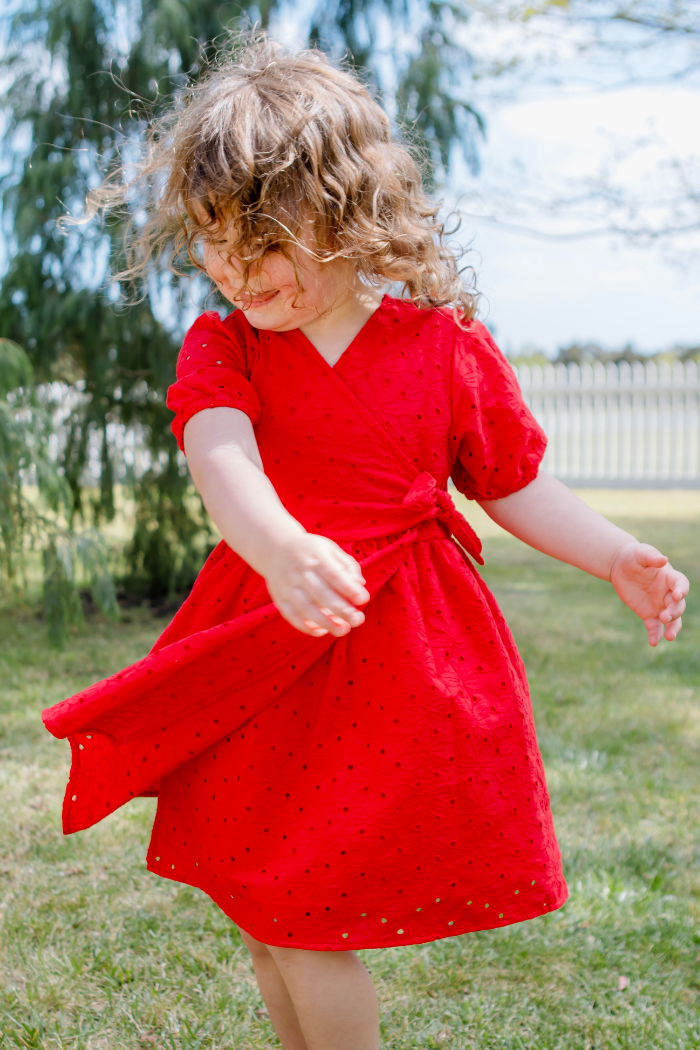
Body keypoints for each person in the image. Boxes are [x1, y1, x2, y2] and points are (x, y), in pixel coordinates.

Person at [44, 37, 689, 1050]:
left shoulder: (443, 345)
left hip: (391, 657)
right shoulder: (228, 345)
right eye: (210, 241)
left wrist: (612, 553)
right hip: (271, 640)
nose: (228, 269)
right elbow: (221, 459)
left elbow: (511, 480)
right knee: (269, 912)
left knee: (307, 917)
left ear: (343, 214)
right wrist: (280, 547)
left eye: (258, 243)